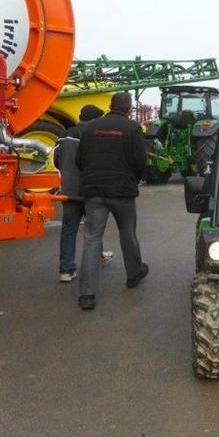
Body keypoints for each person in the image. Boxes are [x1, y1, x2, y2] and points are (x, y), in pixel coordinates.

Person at [75, 92, 148, 310]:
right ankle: (134, 274)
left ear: (111, 105)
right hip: (122, 192)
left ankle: (87, 295)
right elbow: (140, 161)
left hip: (94, 192)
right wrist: (131, 180)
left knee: (92, 239)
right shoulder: (133, 128)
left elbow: (80, 159)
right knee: (128, 233)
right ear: (129, 108)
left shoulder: (91, 127)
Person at [53, 104, 114, 283]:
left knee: (69, 230)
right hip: (91, 190)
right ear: (94, 119)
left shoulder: (64, 135)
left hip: (68, 190)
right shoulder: (95, 135)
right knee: (94, 227)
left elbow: (56, 160)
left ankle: (66, 270)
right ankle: (97, 257)